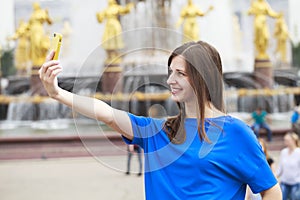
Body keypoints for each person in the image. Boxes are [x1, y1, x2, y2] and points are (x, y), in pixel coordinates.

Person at [39, 40, 282, 199]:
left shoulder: (236, 133)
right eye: (170, 73)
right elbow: (106, 112)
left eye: (180, 73)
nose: (170, 80)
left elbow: (271, 190)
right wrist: (58, 93)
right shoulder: (157, 131)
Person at [276, 132, 300, 200]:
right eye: (285, 140)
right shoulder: (283, 152)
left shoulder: (298, 152)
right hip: (284, 182)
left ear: (293, 140)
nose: (285, 142)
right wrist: (275, 177)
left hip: (296, 183)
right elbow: (280, 167)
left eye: (287, 140)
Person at [28, 2, 53, 66]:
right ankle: (35, 62)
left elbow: (50, 22)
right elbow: (28, 25)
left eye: (35, 5)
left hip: (39, 30)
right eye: (34, 5)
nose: (34, 6)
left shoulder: (42, 12)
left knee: (38, 44)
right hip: (32, 32)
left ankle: (40, 61)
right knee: (34, 46)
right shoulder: (32, 14)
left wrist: (47, 14)